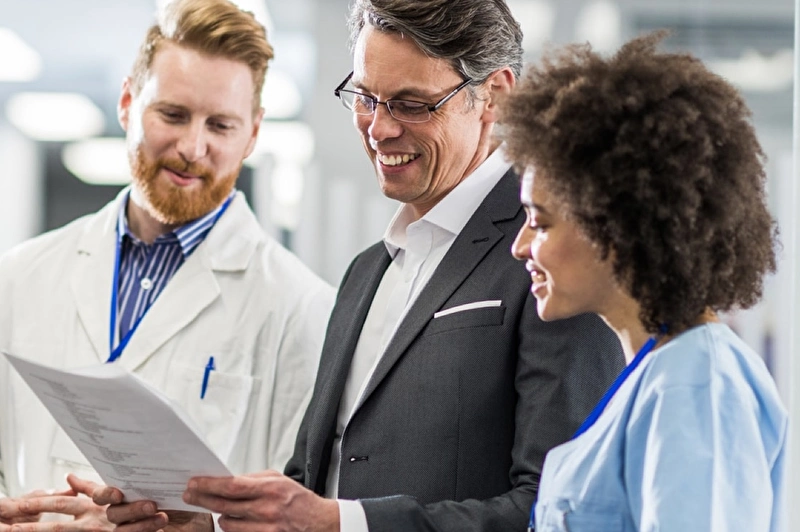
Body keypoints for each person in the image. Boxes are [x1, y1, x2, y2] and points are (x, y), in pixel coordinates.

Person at [92, 0, 624, 531]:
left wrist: (345, 524)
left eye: (412, 104)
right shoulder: (365, 274)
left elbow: (564, 506)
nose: (379, 129)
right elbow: (312, 484)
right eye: (366, 98)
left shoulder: (554, 257)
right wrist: (211, 524)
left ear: (495, 96)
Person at [0, 0, 334, 529]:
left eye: (220, 125)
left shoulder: (302, 309)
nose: (191, 147)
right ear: (129, 103)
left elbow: (298, 514)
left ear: (252, 134)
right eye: (172, 114)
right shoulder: (20, 276)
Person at [500, 32, 788, 531]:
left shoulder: (698, 383)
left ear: (616, 224)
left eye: (540, 222)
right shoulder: (657, 372)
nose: (520, 246)